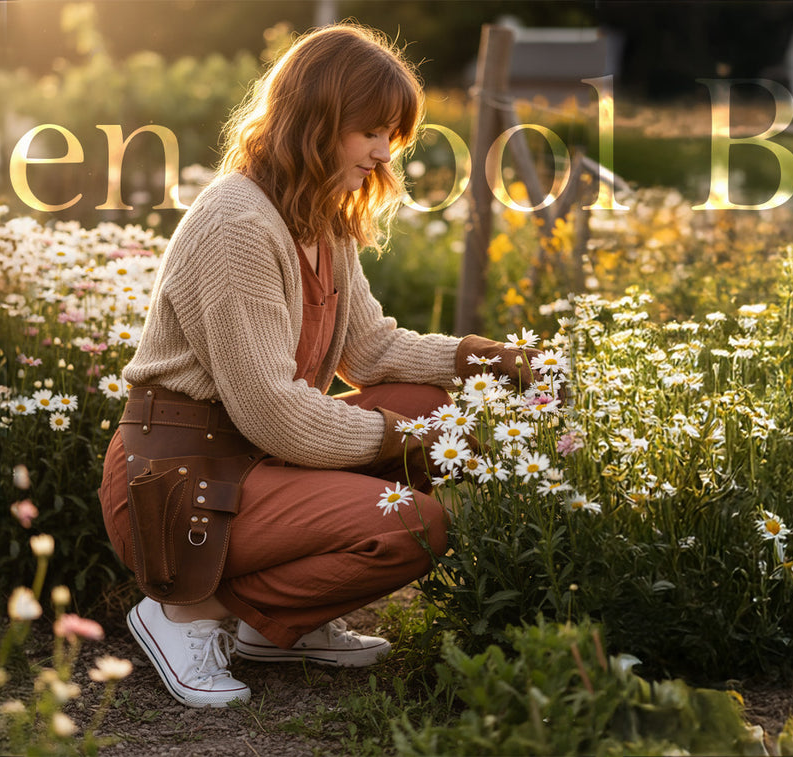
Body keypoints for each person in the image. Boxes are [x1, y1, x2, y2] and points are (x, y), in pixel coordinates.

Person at [98, 23, 539, 708]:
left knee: (432, 403)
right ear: (315, 119)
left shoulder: (319, 215)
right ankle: (185, 609)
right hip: (177, 483)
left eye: (391, 133)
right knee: (414, 523)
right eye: (369, 130)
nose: (383, 151)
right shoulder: (237, 224)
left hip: (252, 459)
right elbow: (273, 410)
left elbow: (372, 351)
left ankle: (278, 629)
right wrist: (403, 439)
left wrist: (485, 358)